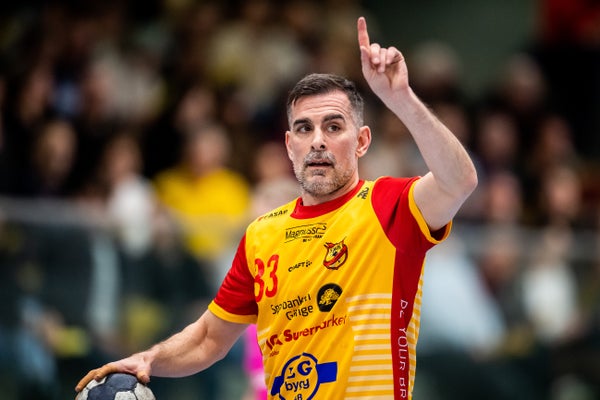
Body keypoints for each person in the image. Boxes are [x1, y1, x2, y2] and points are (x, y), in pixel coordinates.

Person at [75, 16, 477, 400]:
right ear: (289, 146)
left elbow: (458, 181)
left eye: (334, 127)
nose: (317, 140)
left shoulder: (387, 205)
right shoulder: (261, 235)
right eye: (304, 128)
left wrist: (400, 99)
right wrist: (149, 358)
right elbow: (209, 338)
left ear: (362, 142)